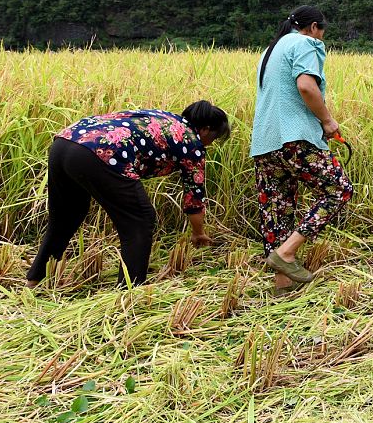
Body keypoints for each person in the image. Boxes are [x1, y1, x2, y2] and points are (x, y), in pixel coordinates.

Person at [27, 101, 230, 287]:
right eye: (214, 138)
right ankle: (129, 293)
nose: (211, 143)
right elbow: (194, 197)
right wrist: (198, 232)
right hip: (101, 151)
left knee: (66, 216)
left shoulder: (166, 118)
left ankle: (34, 281)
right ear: (205, 129)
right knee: (140, 220)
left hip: (65, 142)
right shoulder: (191, 142)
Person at [250, 5, 353, 293]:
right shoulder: (307, 43)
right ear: (313, 27)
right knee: (338, 189)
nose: (321, 38)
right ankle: (287, 252)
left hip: (264, 142)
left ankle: (282, 284)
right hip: (295, 138)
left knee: (277, 208)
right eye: (322, 32)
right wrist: (328, 121)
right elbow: (307, 86)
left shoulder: (270, 51)